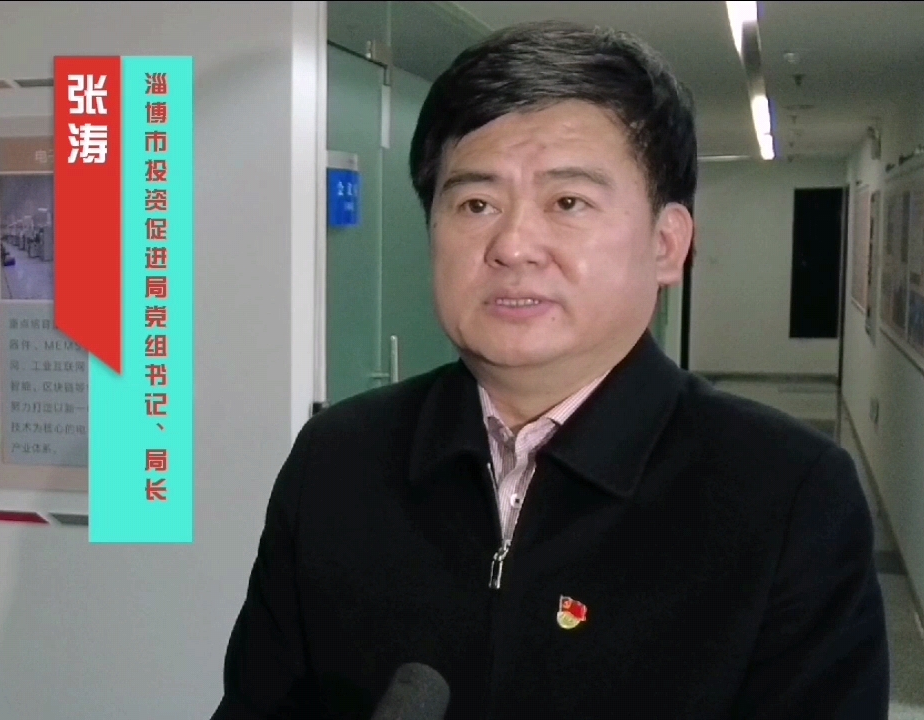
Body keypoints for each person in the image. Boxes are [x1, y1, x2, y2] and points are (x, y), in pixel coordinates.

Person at [212, 20, 888, 720]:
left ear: (667, 245)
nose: (512, 245)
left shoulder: (786, 494)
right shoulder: (338, 459)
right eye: (476, 204)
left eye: (568, 203)